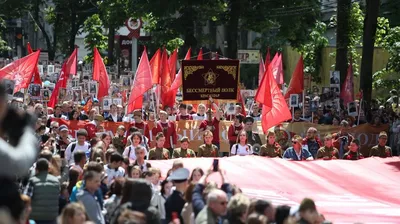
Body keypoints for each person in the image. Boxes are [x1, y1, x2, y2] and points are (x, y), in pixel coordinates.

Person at [24, 158, 60, 224]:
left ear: (36, 169)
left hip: (35, 219)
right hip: (52, 218)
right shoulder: (56, 181)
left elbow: (26, 198)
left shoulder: (32, 181)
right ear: (48, 168)